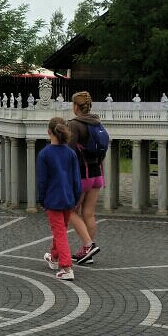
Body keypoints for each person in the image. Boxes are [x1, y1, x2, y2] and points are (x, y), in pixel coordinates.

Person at [38, 117, 83, 281]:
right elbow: (76, 180)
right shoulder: (71, 153)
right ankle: (54, 257)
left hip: (53, 200)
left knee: (60, 232)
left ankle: (66, 267)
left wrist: (41, 200)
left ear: (49, 132)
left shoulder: (44, 154)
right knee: (61, 229)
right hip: (69, 199)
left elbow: (43, 181)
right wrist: (76, 197)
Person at [66, 91, 105, 264]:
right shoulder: (97, 123)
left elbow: (69, 151)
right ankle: (87, 253)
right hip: (97, 173)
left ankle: (88, 246)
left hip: (82, 174)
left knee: (70, 211)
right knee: (89, 213)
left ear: (76, 106)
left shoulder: (74, 125)